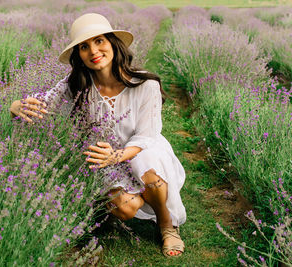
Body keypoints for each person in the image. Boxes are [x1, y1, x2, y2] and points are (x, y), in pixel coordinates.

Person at [10, 13, 186, 257]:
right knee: (126, 208)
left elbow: (148, 137)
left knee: (147, 165)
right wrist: (16, 106)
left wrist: (117, 155)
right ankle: (114, 205)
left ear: (113, 43)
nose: (93, 50)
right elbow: (42, 103)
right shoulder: (77, 84)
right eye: (84, 46)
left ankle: (167, 224)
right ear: (79, 55)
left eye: (99, 41)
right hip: (102, 159)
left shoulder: (146, 85)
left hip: (143, 153)